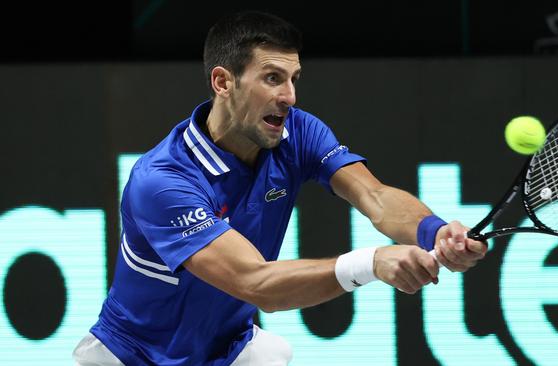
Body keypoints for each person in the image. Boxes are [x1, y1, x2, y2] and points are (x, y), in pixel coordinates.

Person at [73, 10, 487, 366]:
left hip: (228, 351)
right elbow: (256, 284)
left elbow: (375, 198)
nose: (289, 95)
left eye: (293, 78)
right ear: (223, 82)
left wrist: (434, 231)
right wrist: (372, 262)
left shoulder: (299, 132)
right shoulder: (163, 181)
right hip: (131, 358)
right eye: (272, 78)